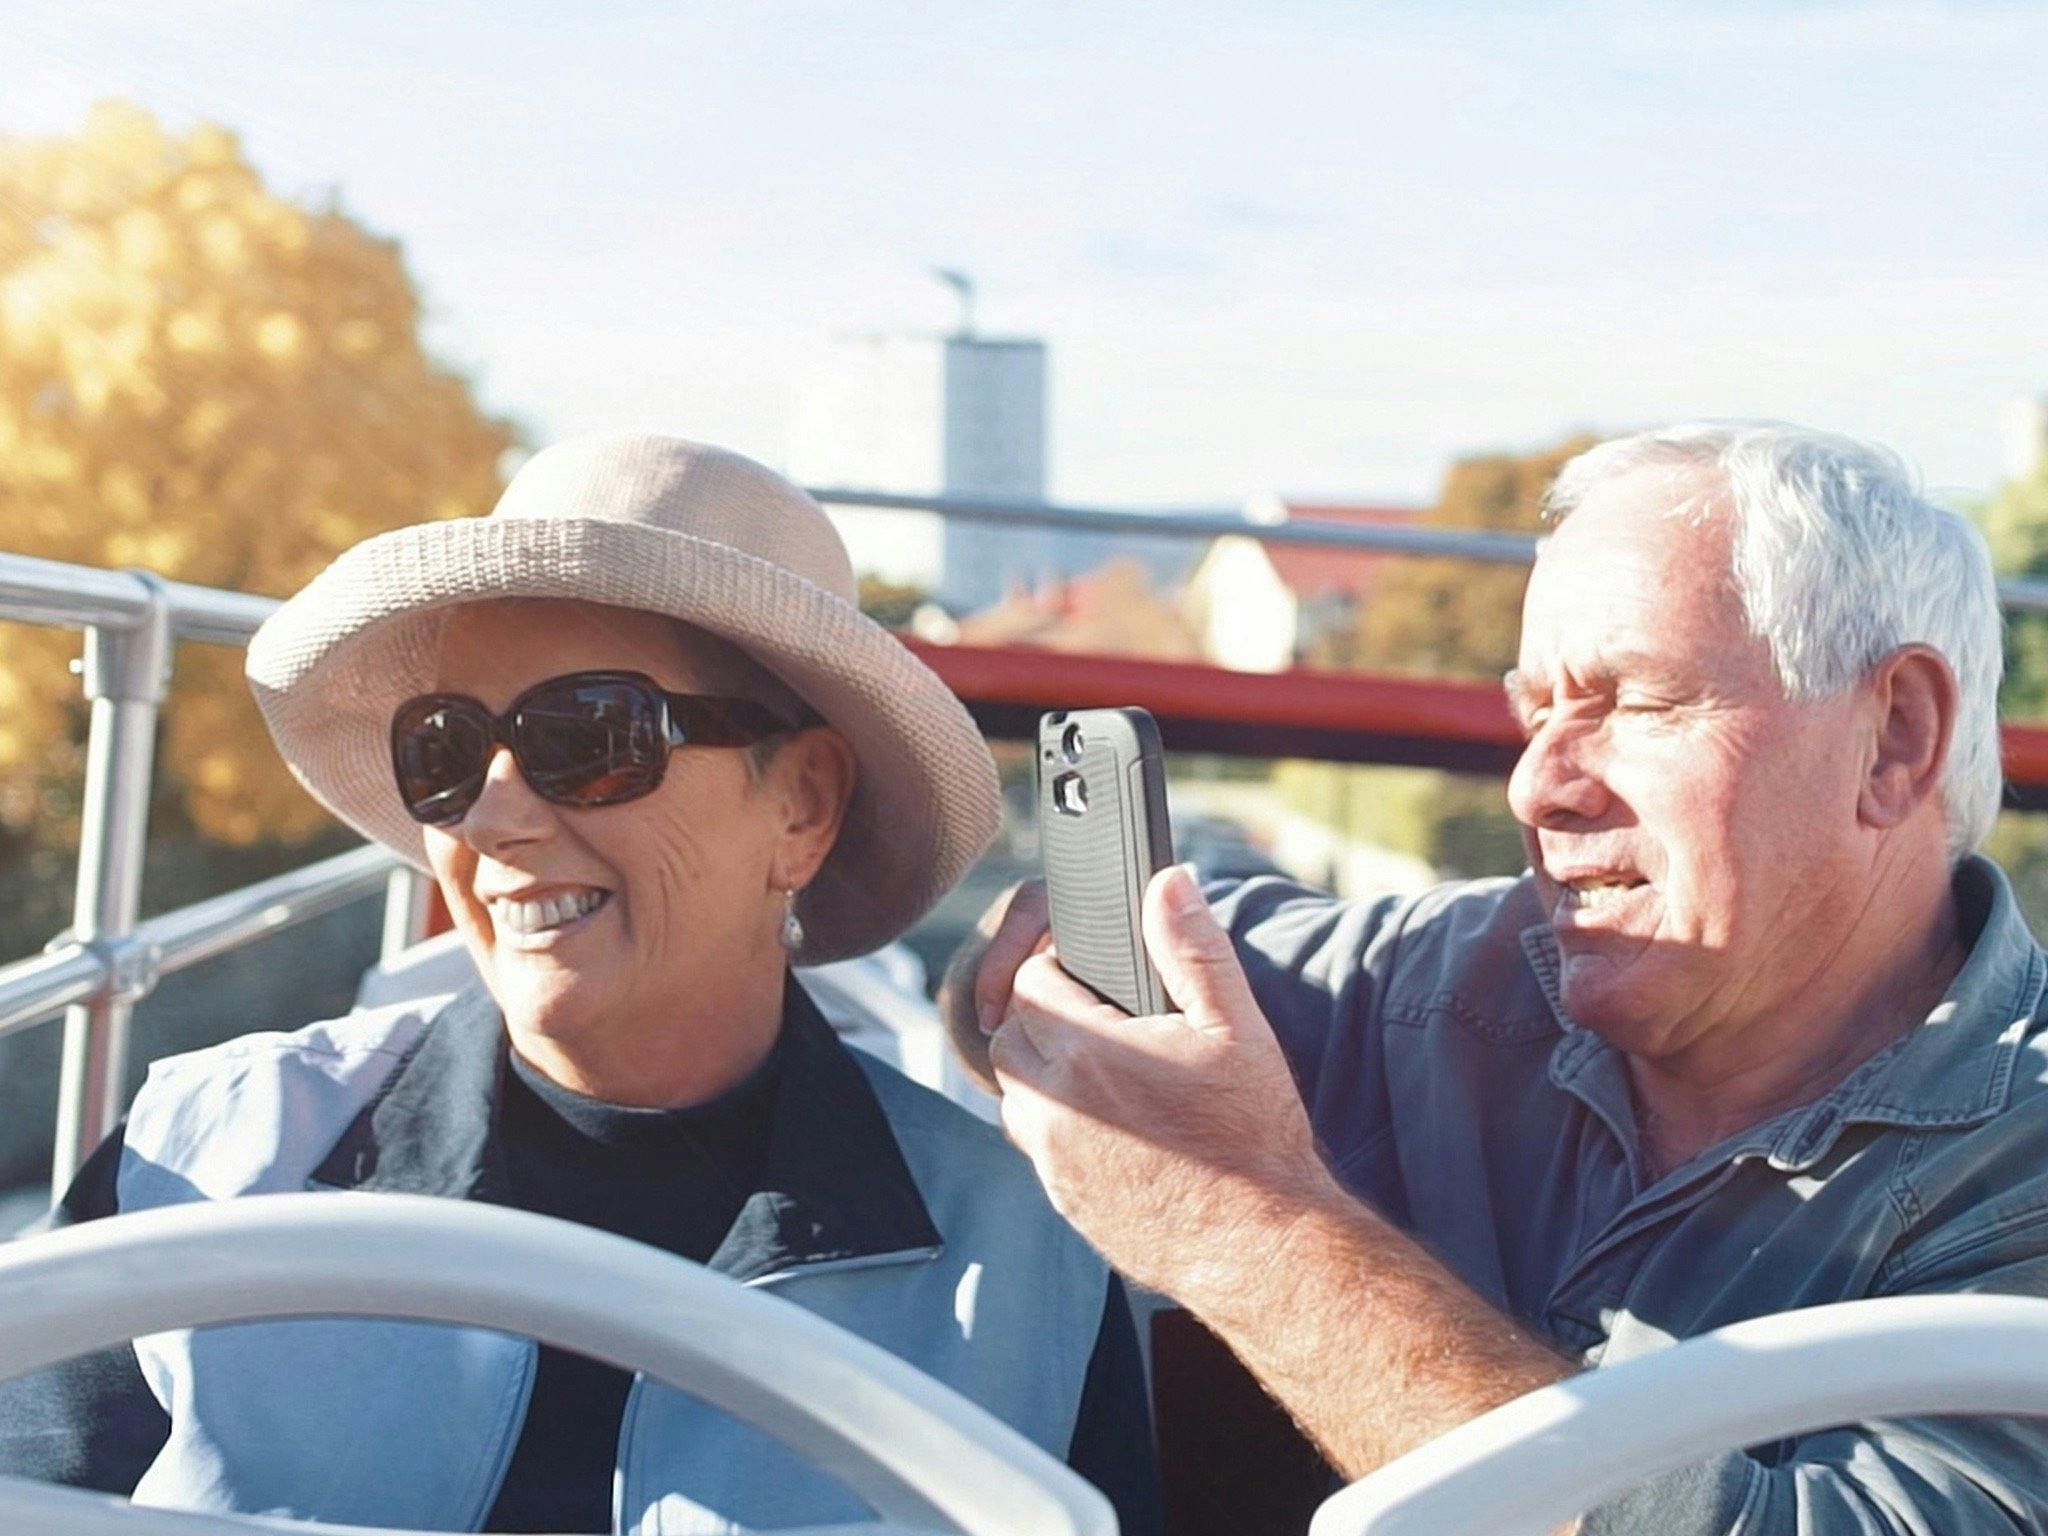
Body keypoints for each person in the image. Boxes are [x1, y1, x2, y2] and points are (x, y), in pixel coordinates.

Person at [0, 434, 1159, 1535]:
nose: (491, 815)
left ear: (800, 806)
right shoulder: (196, 1161)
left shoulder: (1023, 1260)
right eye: (444, 749)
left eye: (593, 734)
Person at [948, 420, 2048, 1534]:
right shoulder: (1443, 975)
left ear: (1894, 738)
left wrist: (1244, 1223)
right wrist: (1041, 993)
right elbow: (1022, 950)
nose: (1534, 786)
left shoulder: (2021, 1167)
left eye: (1635, 703)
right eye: (1534, 713)